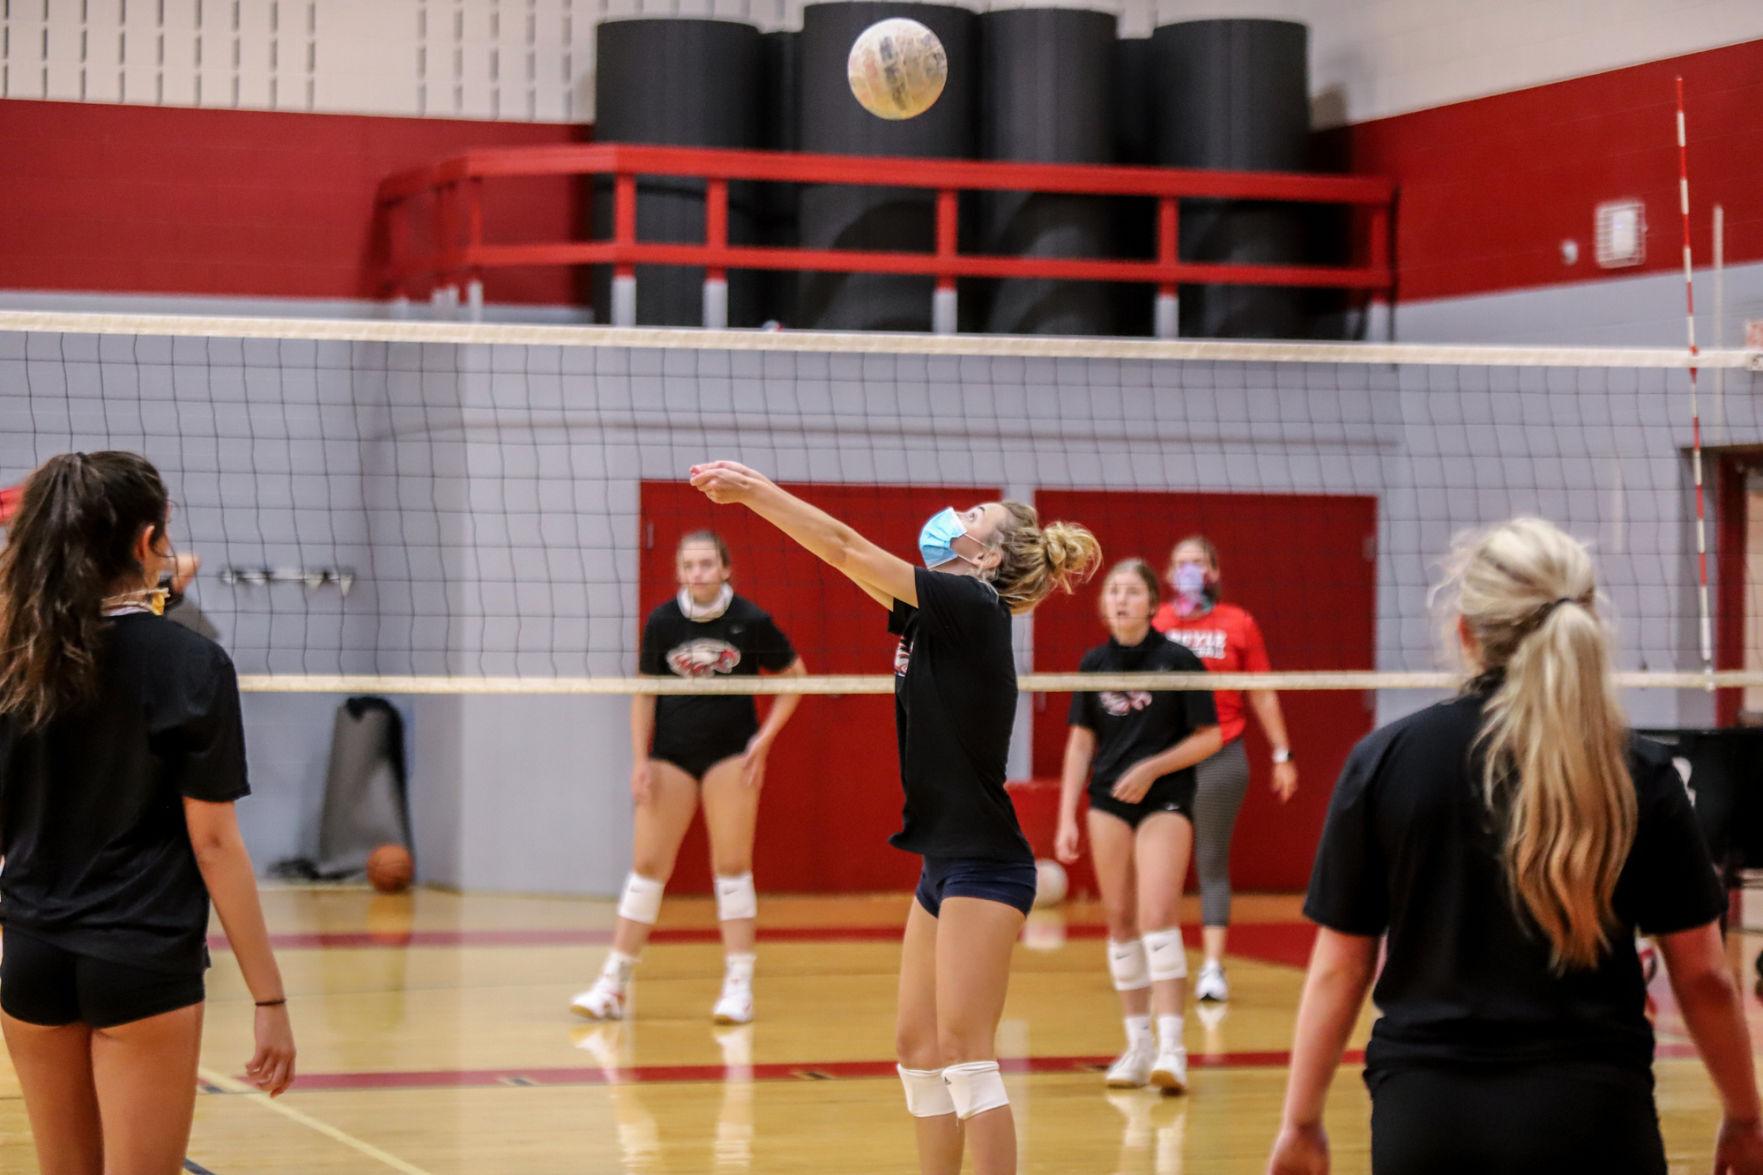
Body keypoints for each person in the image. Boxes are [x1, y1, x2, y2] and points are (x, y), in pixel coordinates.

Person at [1267, 517, 1763, 1175]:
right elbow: (1701, 973)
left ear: (1465, 633)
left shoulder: (1384, 761)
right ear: (1584, 621)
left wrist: (1301, 1123)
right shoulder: (1639, 773)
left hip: (1429, 1119)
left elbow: (1340, 967)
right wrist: (1745, 1115)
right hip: (1595, 1118)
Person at [690, 460, 1099, 1175]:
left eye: (975, 516)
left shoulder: (974, 608)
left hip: (984, 863)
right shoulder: (935, 609)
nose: (958, 515)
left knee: (968, 1055)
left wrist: (755, 492)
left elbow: (846, 545)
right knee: (917, 1049)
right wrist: (787, 520)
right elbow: (845, 560)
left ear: (989, 556)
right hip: (942, 862)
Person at [0, 451, 296, 1175]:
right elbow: (216, 844)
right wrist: (270, 996)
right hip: (140, 955)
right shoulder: (191, 664)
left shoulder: (15, 659)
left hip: (31, 953)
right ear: (146, 542)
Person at [572, 530, 806, 1026]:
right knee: (648, 865)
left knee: (731, 867)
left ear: (724, 569)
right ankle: (613, 983)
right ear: (679, 572)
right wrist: (640, 760)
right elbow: (645, 694)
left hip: (730, 757)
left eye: (706, 564)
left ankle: (739, 986)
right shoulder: (662, 622)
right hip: (670, 757)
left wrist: (762, 742)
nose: (697, 573)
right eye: (688, 566)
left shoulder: (750, 619)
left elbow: (796, 679)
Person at [1055, 558, 1221, 1092]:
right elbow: (1081, 742)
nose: (1121, 600)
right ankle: (1137, 1045)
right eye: (1112, 592)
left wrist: (1152, 767)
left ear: (1153, 603)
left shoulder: (1180, 662)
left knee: (1156, 915)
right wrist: (1065, 815)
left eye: (1131, 592)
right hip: (1107, 802)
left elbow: (1208, 737)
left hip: (1165, 800)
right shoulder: (1094, 663)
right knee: (1120, 919)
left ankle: (1173, 1049)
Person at [1153, 535, 1297, 1003]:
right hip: (1166, 757)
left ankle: (1213, 968)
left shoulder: (1238, 623)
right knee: (1160, 863)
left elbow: (1262, 691)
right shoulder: (1156, 623)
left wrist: (1282, 754)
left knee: (1211, 858)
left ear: (1213, 572)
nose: (1190, 570)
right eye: (1181, 563)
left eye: (1198, 562)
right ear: (1170, 575)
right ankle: (1160, 963)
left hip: (1221, 752)